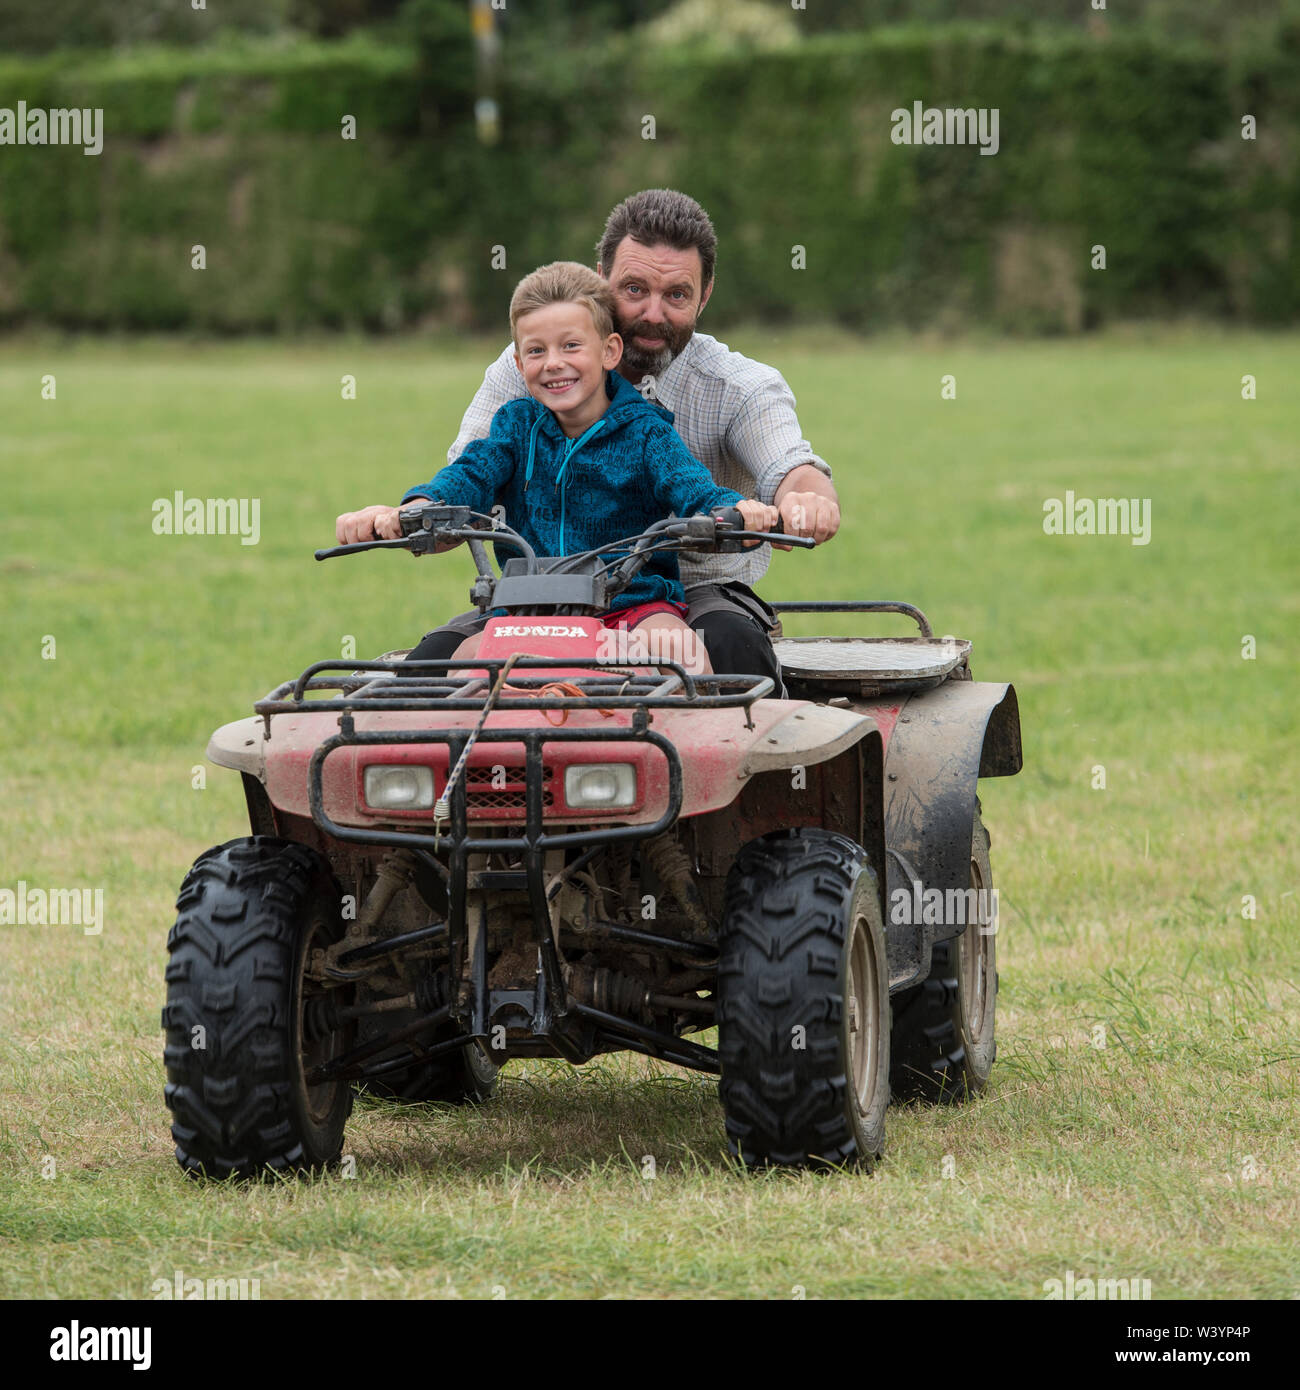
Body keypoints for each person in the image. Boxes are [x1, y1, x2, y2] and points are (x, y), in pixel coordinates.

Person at [336, 188, 837, 688]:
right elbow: (466, 481)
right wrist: (406, 513)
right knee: (428, 671)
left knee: (728, 649)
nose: (653, 314)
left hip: (661, 593)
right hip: (533, 592)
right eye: (635, 289)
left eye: (677, 295)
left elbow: (766, 473)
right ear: (603, 277)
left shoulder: (712, 399)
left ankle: (727, 760)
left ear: (705, 295)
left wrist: (798, 504)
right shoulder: (522, 394)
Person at [386, 260, 777, 675]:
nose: (553, 363)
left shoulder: (646, 432)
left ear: (610, 351)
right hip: (526, 608)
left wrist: (733, 511)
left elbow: (694, 488)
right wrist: (419, 505)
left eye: (570, 346)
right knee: (459, 668)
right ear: (519, 364)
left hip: (633, 606)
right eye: (537, 351)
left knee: (678, 651)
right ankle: (476, 740)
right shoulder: (515, 427)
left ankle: (696, 736)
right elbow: (471, 473)